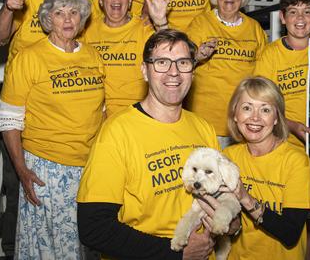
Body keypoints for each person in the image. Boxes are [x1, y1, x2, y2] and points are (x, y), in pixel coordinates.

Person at [76, 29, 222, 259]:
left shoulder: (203, 128)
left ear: (193, 71)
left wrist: (231, 223)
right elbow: (93, 228)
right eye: (162, 62)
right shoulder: (116, 132)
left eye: (183, 62)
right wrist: (175, 253)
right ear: (145, 71)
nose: (174, 72)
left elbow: (218, 198)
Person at [0, 0, 104, 259]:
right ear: (47, 19)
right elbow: (9, 119)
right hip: (46, 170)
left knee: (83, 245)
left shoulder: (93, 56)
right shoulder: (28, 57)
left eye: (74, 12)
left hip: (88, 168)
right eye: (59, 13)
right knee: (47, 248)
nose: (67, 20)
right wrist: (21, 170)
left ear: (83, 18)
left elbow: (101, 111)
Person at [223, 76, 310, 259]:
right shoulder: (228, 157)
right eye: (247, 108)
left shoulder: (296, 161)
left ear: (276, 118)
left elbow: (290, 233)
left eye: (265, 109)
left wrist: (245, 198)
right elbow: (231, 226)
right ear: (235, 114)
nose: (255, 117)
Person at [185, 0, 266, 147]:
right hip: (206, 120)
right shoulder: (201, 22)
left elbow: (263, 73)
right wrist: (197, 56)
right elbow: (183, 62)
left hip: (244, 121)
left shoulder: (254, 28)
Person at [79, 0, 171, 116]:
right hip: (96, 115)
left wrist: (161, 22)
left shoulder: (143, 28)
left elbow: (169, 55)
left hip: (137, 114)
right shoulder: (87, 29)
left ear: (129, 0)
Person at [253, 0, 310, 146]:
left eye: (307, 12)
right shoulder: (269, 55)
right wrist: (291, 126)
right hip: (284, 141)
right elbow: (260, 102)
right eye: (293, 12)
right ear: (282, 17)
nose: (300, 18)